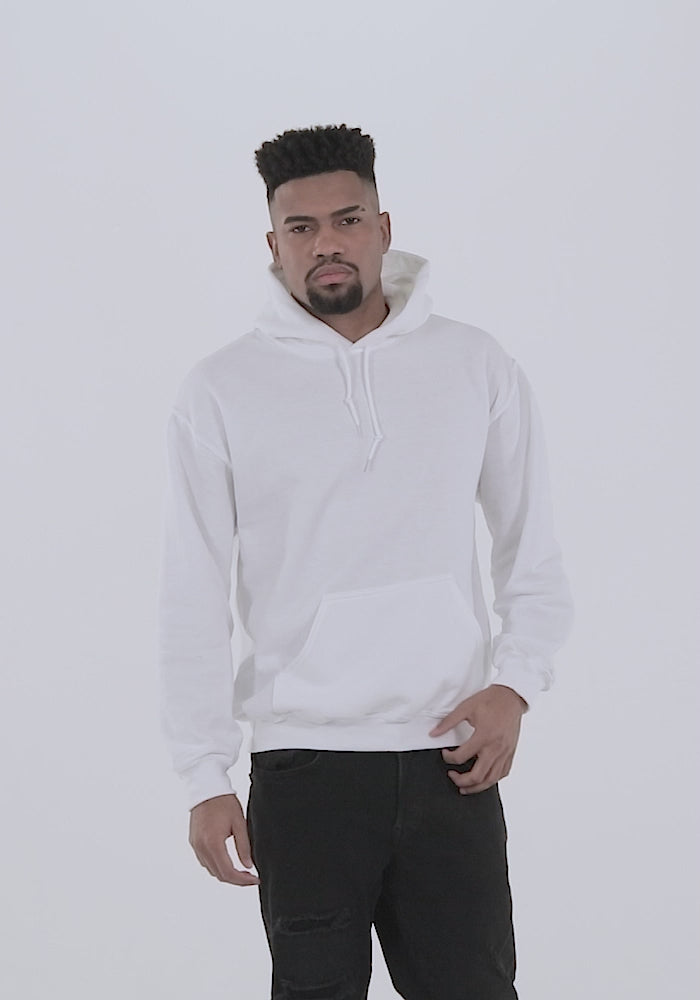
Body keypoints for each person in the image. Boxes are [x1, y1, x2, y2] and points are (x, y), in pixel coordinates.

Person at [157, 123, 574, 999]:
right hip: (303, 768)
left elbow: (530, 548)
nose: (327, 244)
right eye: (301, 228)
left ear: (383, 227)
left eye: (347, 220)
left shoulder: (474, 364)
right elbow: (191, 590)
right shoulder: (221, 390)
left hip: (450, 760)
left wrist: (516, 684)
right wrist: (203, 773)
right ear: (274, 245)